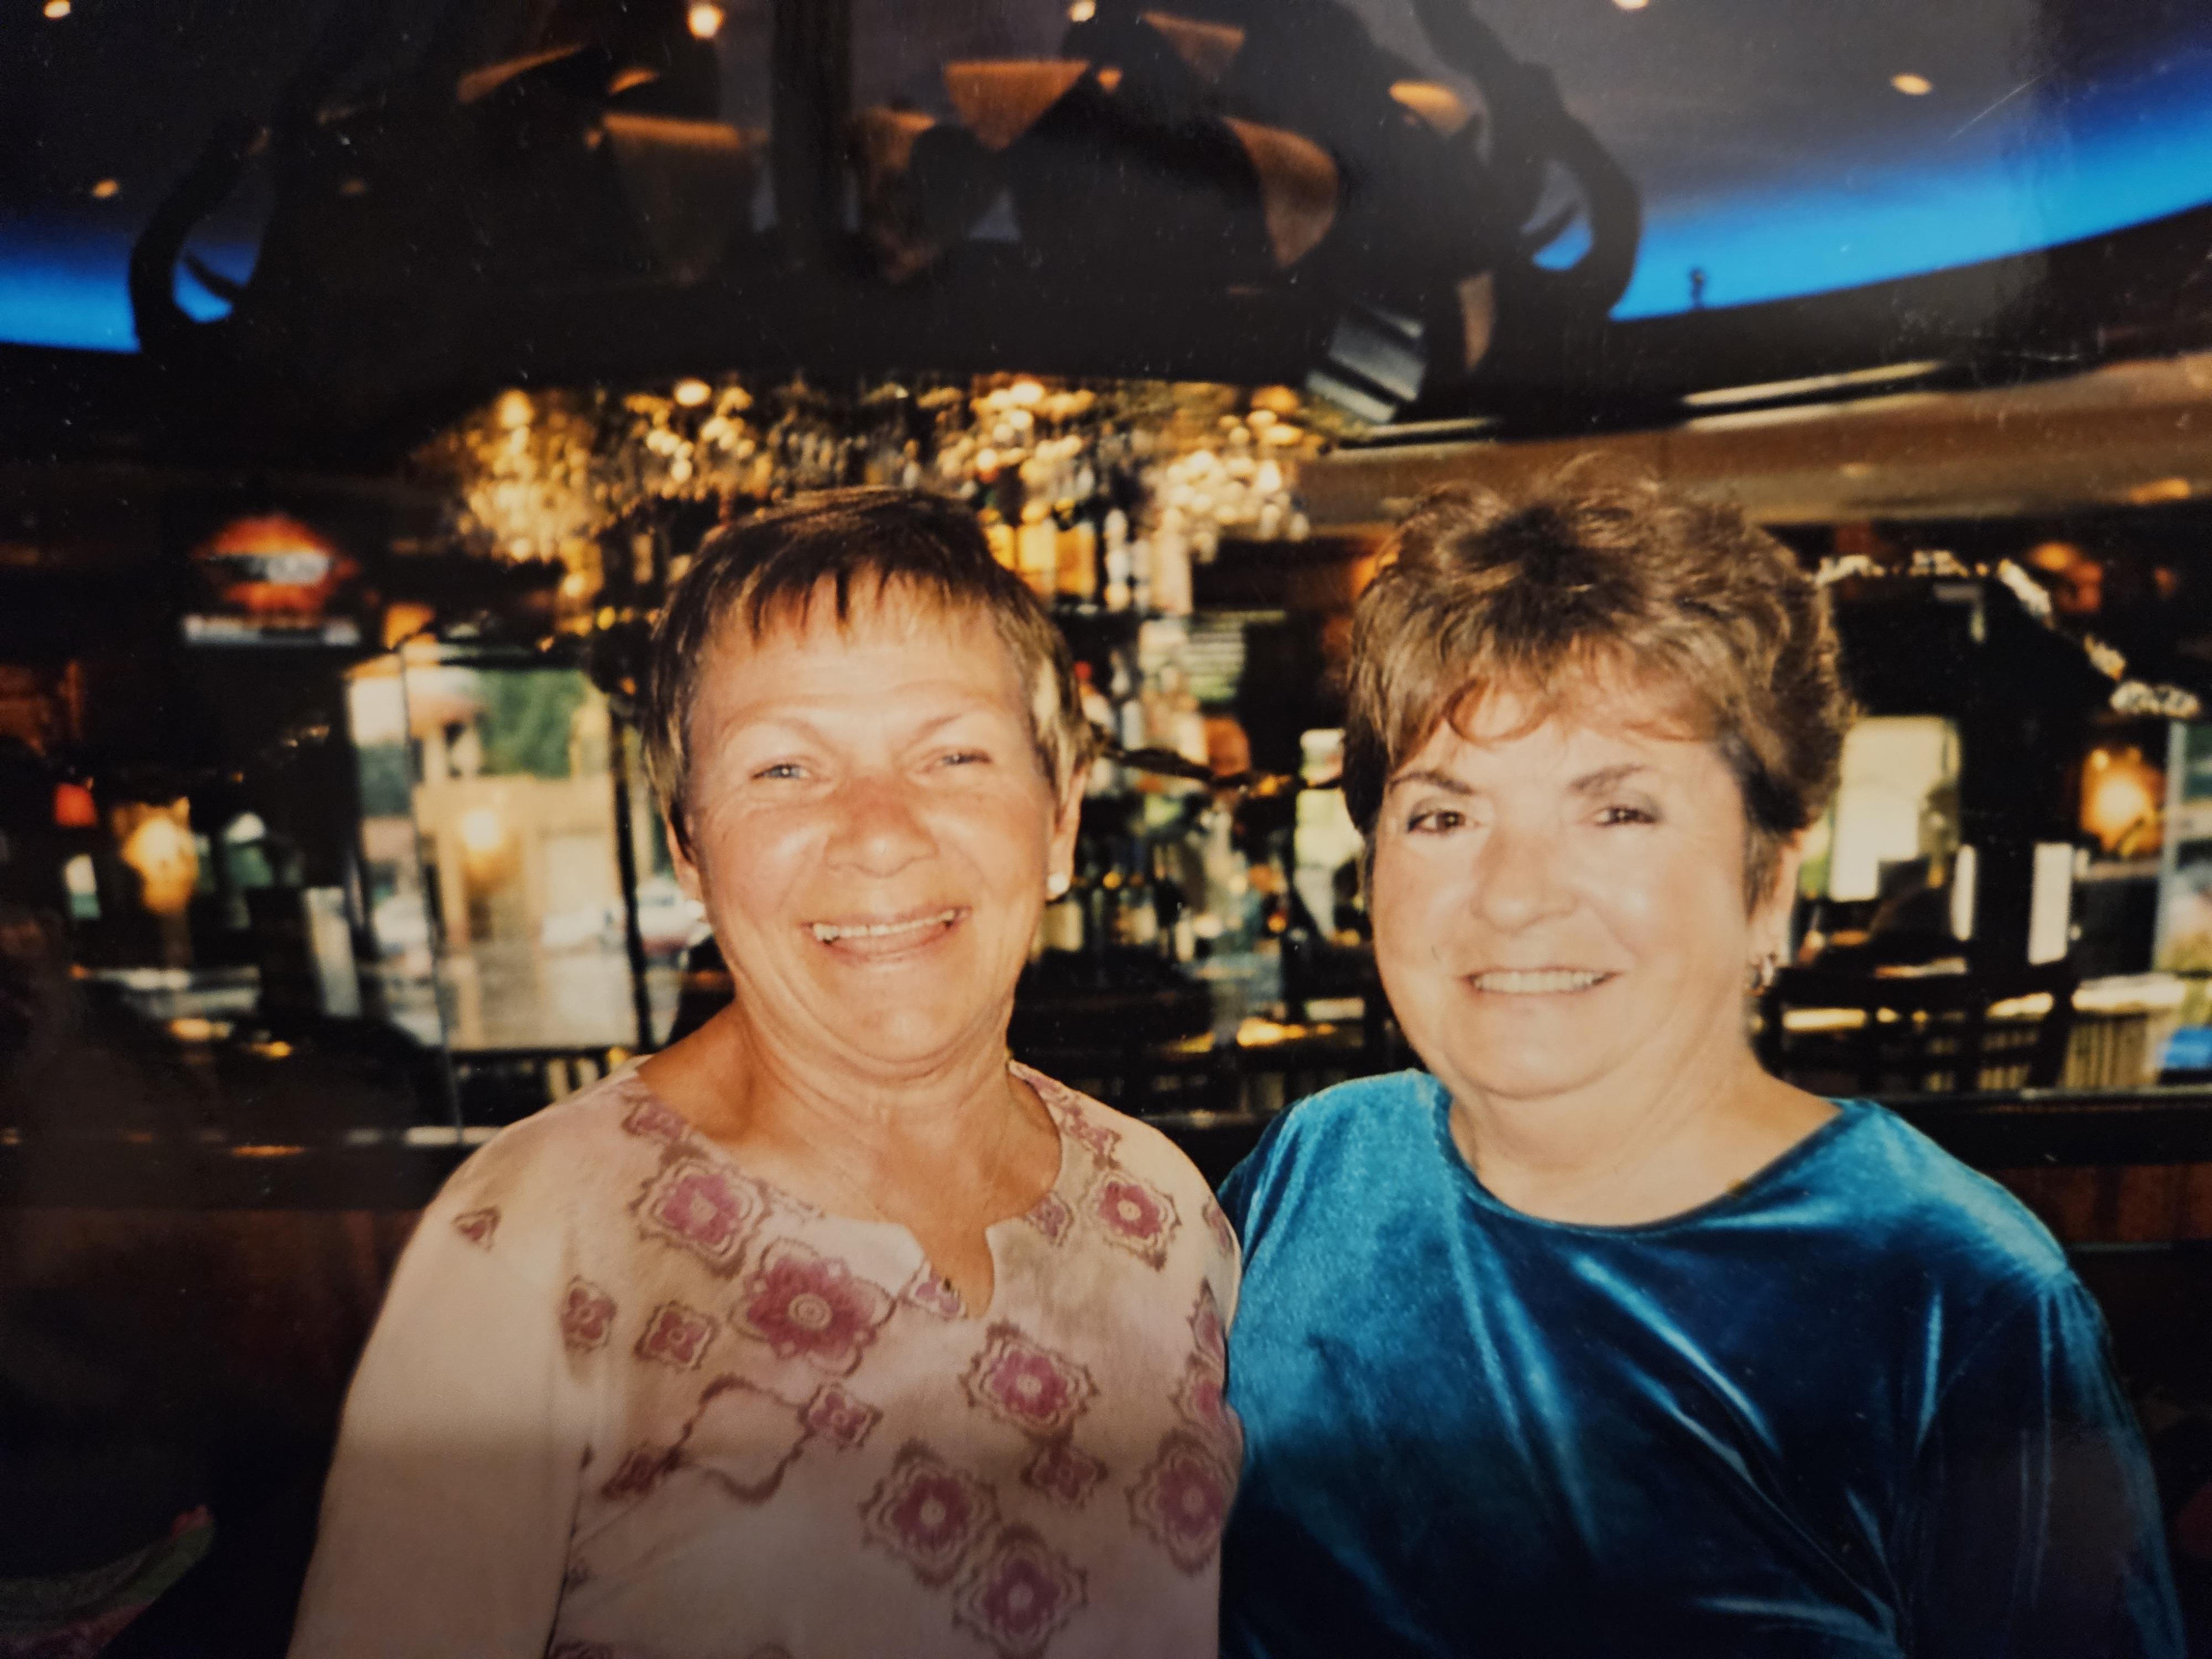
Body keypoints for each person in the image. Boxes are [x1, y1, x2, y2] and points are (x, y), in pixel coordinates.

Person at [1217, 476, 2181, 1658]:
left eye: (1616, 811)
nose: (1513, 895)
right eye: (1442, 817)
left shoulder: (1945, 1296)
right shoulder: (1315, 1167)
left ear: (1768, 884)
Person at [290, 490, 1240, 1659]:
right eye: (785, 769)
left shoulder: (1162, 1212)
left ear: (1058, 818)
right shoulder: (532, 1239)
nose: (880, 831)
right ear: (687, 844)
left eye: (953, 753)